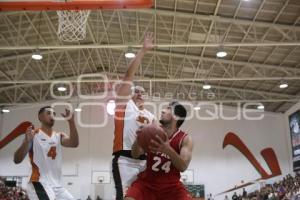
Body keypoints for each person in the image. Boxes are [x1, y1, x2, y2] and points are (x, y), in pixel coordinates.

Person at [112, 33, 155, 200]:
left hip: (146, 162)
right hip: (125, 160)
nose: (139, 94)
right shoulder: (124, 105)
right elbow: (128, 76)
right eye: (135, 91)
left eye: (142, 93)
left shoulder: (151, 116)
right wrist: (143, 51)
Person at [124, 101, 193, 200]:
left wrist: (167, 150)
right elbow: (135, 154)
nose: (163, 111)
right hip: (147, 184)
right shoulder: (152, 131)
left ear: (177, 117)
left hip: (172, 187)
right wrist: (138, 140)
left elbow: (183, 167)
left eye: (168, 108)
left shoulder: (185, 139)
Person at [14, 106, 79, 200]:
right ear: (40, 117)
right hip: (38, 182)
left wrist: (71, 122)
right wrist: (26, 142)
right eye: (48, 113)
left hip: (57, 186)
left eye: (54, 114)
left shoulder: (59, 136)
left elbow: (74, 143)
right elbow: (17, 159)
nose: (52, 116)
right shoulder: (33, 135)